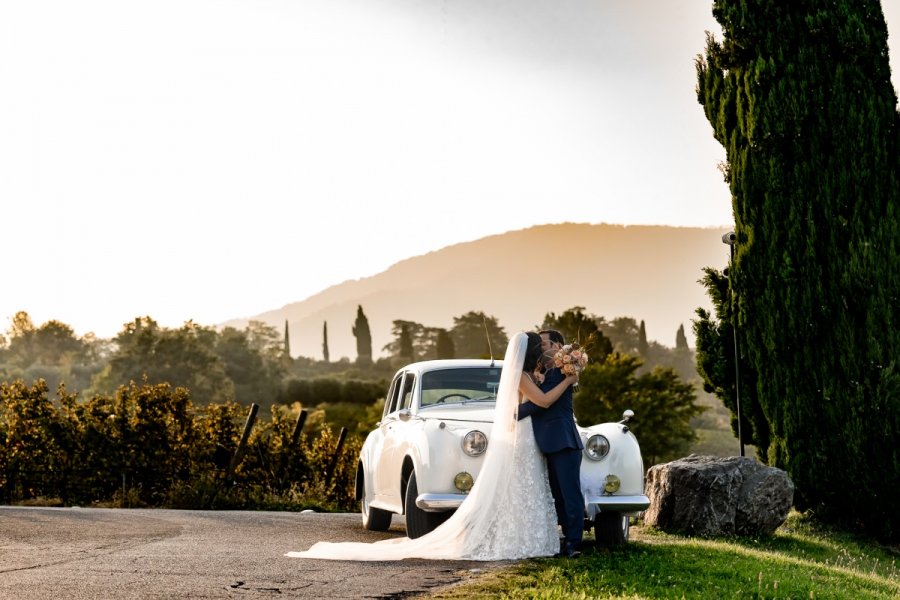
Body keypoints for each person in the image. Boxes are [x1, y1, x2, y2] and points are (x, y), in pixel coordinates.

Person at [285, 331, 578, 561]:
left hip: (529, 439)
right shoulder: (521, 378)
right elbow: (538, 402)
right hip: (519, 435)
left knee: (525, 489)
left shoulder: (532, 375)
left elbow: (538, 402)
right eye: (539, 348)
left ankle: (534, 537)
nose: (544, 351)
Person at [517, 329, 585, 558]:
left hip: (563, 441)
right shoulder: (541, 373)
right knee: (557, 495)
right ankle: (567, 538)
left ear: (557, 347)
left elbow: (540, 403)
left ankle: (574, 543)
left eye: (544, 344)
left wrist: (515, 412)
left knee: (570, 495)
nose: (541, 349)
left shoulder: (560, 373)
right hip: (546, 443)